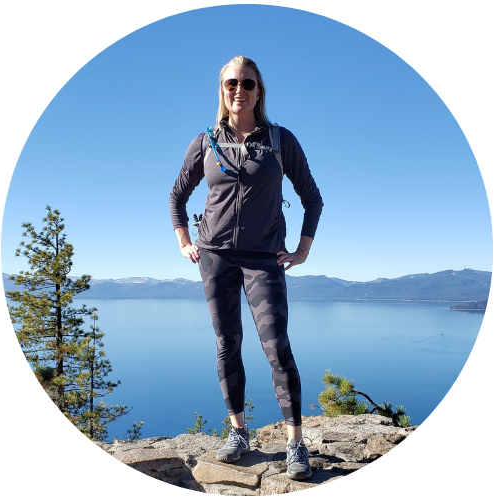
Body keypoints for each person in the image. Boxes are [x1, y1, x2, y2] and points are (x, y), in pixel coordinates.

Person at [169, 55, 323, 481]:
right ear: (222, 90)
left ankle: (295, 443)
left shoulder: (279, 140)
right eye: (232, 83)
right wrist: (185, 241)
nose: (240, 90)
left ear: (259, 91)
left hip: (263, 258)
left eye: (248, 83)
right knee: (227, 344)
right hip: (215, 256)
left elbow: (313, 198)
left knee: (276, 347)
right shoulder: (205, 141)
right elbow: (176, 197)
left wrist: (302, 250)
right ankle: (239, 433)